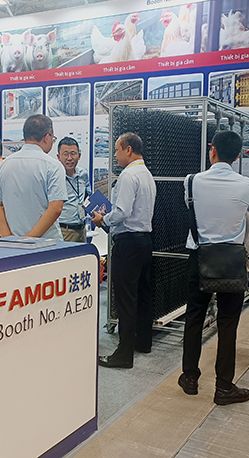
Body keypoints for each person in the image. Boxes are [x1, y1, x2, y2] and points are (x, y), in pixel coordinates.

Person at [178, 131, 249, 405]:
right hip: (232, 261)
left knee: (194, 317)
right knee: (228, 323)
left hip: (199, 257)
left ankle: (189, 377)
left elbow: (191, 212)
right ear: (238, 155)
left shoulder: (191, 182)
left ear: (212, 150)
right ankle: (224, 387)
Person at [92, 132, 156, 369]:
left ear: (128, 149)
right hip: (144, 241)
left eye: (117, 150)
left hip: (128, 243)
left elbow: (122, 212)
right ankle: (143, 342)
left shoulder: (128, 175)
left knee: (126, 299)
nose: (115, 155)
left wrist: (103, 219)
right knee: (143, 296)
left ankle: (123, 354)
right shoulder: (146, 174)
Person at [0, 115, 67, 239]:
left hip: (13, 244)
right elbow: (56, 208)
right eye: (53, 138)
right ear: (47, 137)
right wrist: (29, 238)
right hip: (47, 243)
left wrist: (9, 238)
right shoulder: (53, 166)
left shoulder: (3, 165)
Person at [57, 137, 91, 242]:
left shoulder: (83, 174)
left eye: (73, 153)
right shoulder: (55, 177)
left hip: (81, 229)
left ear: (79, 156)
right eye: (65, 154)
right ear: (59, 157)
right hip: (64, 230)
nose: (69, 158)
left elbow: (88, 196)